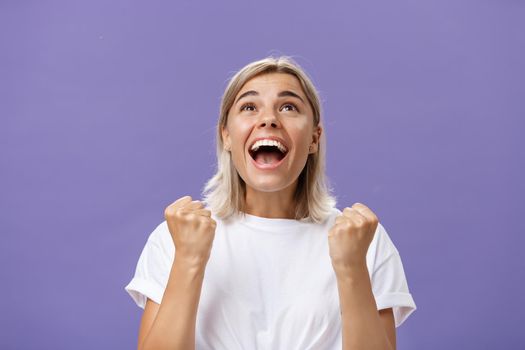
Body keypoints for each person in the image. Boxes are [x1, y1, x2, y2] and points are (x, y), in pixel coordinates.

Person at [125, 56, 417, 350]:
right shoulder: (174, 238)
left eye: (289, 107)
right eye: (249, 107)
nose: (268, 119)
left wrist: (352, 267)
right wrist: (188, 259)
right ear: (226, 136)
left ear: (315, 138)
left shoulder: (365, 240)